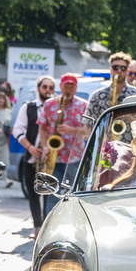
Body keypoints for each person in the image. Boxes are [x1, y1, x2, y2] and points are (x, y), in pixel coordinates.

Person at [39, 73, 89, 214]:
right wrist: (45, 146)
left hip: (75, 158)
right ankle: (49, 222)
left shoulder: (83, 105)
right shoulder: (49, 104)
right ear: (60, 86)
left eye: (72, 87)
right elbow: (42, 128)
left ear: (76, 88)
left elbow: (88, 131)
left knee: (73, 195)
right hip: (54, 158)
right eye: (66, 86)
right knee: (51, 194)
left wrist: (71, 130)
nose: (68, 89)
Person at [13, 77, 54, 237]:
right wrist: (30, 147)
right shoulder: (28, 107)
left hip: (52, 158)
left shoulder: (56, 107)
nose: (48, 90)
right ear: (38, 88)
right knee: (33, 192)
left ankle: (48, 226)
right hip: (32, 157)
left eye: (51, 87)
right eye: (45, 87)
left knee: (50, 193)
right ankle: (37, 225)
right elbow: (17, 130)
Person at [81, 52, 136, 136]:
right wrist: (100, 139)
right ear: (110, 70)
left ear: (127, 71)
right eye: (115, 68)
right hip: (104, 143)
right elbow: (87, 124)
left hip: (129, 143)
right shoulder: (97, 95)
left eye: (123, 68)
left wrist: (129, 118)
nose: (119, 71)